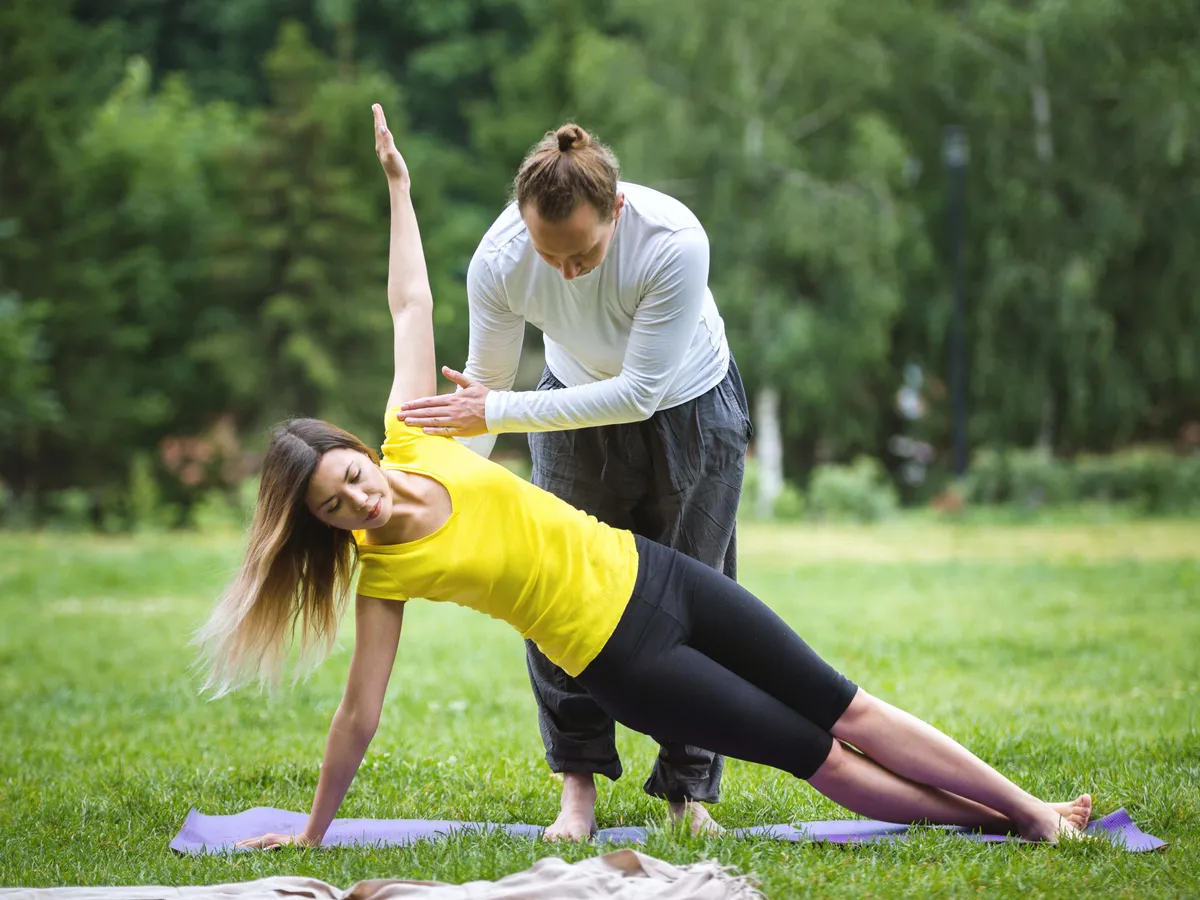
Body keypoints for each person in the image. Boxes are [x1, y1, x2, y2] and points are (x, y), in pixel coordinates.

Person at [200, 105, 1092, 851]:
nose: (360, 496)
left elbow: (409, 304)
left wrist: (398, 187)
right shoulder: (385, 575)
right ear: (330, 526)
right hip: (628, 658)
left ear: (361, 448)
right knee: (815, 752)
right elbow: (359, 716)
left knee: (847, 705)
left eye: (350, 474)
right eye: (336, 506)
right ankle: (1014, 827)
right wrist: (314, 834)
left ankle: (1031, 812)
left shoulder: (417, 435)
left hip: (659, 576)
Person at [396, 122, 746, 841]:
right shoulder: (499, 260)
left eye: (582, 253)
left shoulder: (673, 241)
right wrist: (453, 493)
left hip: (691, 408)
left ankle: (687, 792)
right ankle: (577, 787)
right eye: (548, 254)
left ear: (616, 210)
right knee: (552, 589)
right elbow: (484, 387)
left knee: (695, 595)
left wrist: (494, 409)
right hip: (565, 410)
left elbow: (639, 392)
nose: (566, 273)